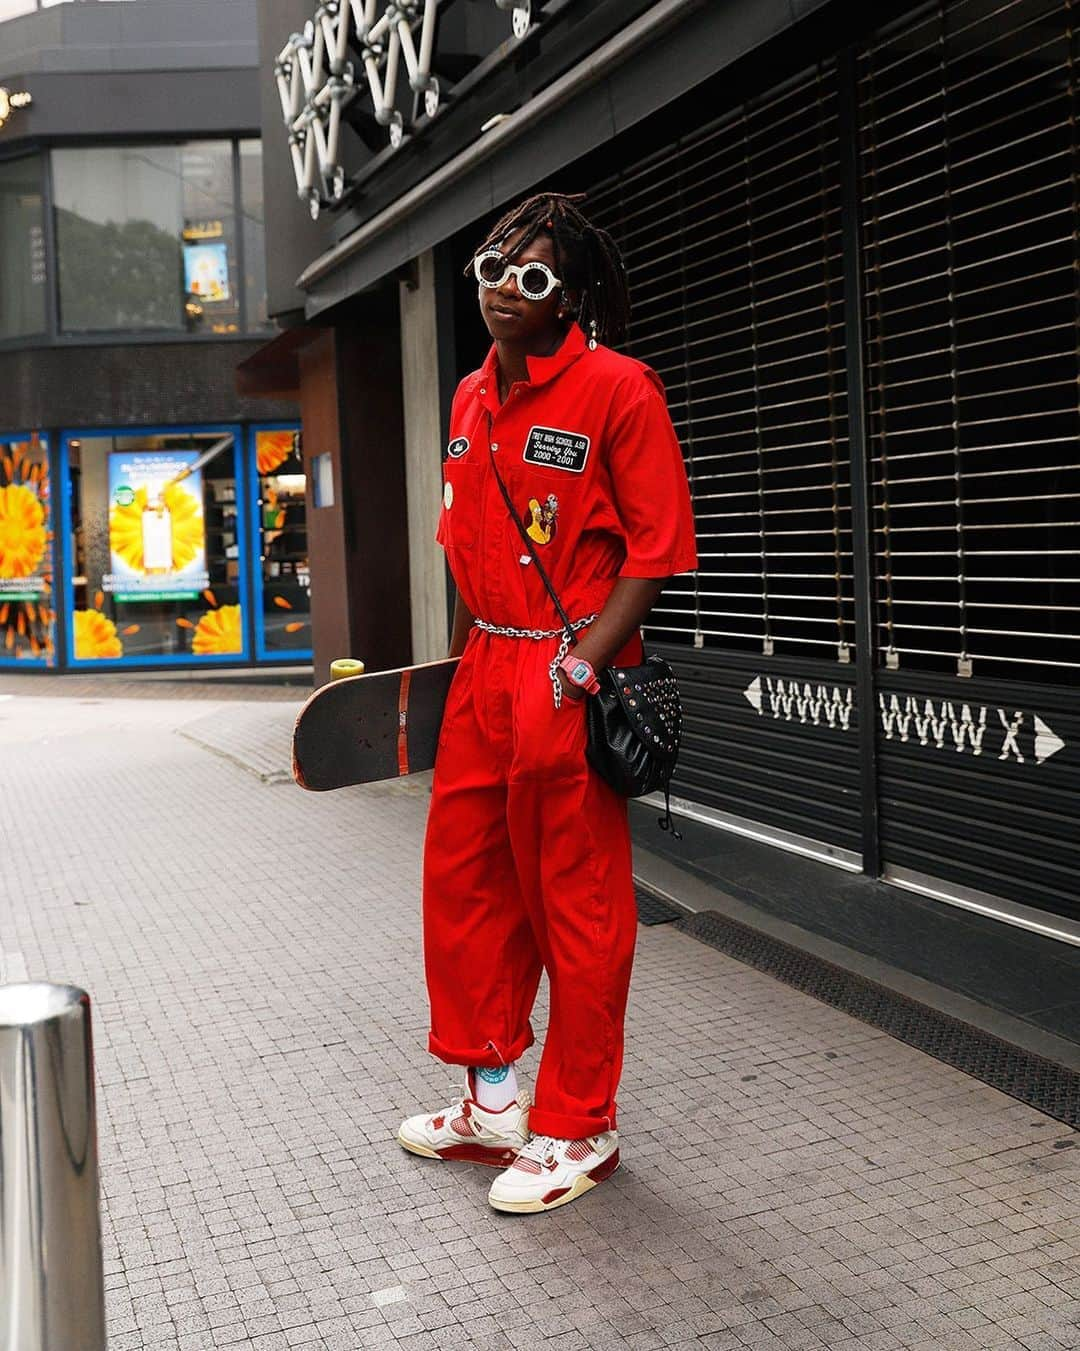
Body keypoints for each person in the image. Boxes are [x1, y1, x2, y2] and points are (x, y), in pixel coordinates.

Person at [397, 192, 697, 1213]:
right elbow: (464, 548)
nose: (500, 291)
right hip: (485, 668)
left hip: (565, 671)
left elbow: (655, 552)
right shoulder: (470, 400)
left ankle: (580, 1125)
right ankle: (491, 1102)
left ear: (567, 294)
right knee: (467, 888)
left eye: (527, 277)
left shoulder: (621, 390)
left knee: (577, 902)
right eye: (490, 267)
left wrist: (581, 665)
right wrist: (453, 675)